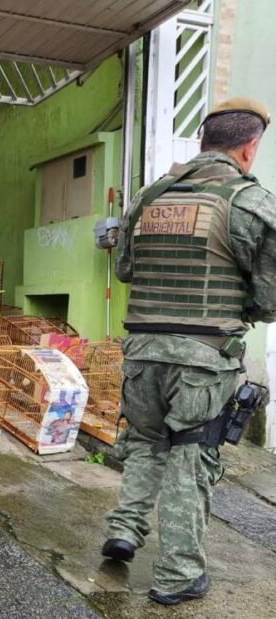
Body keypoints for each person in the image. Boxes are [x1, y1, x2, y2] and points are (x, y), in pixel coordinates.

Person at [103, 98, 276, 605]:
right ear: (249, 148)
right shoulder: (250, 202)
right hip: (202, 359)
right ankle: (179, 574)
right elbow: (269, 300)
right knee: (190, 456)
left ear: (202, 144)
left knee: (145, 441)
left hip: (141, 351)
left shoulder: (148, 197)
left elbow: (125, 270)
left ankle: (124, 532)